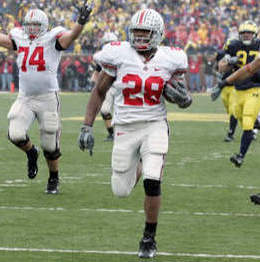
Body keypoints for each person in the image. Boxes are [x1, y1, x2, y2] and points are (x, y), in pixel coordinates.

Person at [78, 9, 191, 259]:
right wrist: (87, 125)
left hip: (154, 124)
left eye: (145, 32)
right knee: (121, 190)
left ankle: (149, 237)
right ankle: (140, 162)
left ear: (158, 34)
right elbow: (99, 91)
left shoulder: (171, 58)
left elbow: (184, 97)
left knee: (153, 181)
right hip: (125, 128)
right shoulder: (119, 55)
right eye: (137, 32)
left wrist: (183, 99)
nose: (140, 37)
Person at [0, 1, 93, 194]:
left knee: (50, 144)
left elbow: (70, 38)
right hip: (25, 97)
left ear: (44, 26)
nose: (32, 28)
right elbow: (5, 41)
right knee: (15, 134)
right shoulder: (19, 36)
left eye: (36, 25)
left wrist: (81, 22)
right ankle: (31, 152)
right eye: (29, 24)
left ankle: (53, 178)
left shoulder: (52, 37)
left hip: (47, 98)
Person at [215, 20, 260, 168]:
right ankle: (256, 124)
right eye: (244, 33)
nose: (247, 35)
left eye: (249, 33)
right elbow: (220, 67)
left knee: (247, 120)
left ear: (255, 34)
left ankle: (240, 155)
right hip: (237, 88)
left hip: (255, 88)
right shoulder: (233, 45)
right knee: (235, 113)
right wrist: (228, 62)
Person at [90, 32, 118, 141]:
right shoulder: (102, 57)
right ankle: (111, 133)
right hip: (108, 87)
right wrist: (95, 83)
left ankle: (124, 133)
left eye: (111, 43)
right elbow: (97, 71)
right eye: (107, 43)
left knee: (123, 111)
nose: (109, 45)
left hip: (121, 87)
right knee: (105, 110)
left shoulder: (123, 55)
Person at [212, 45, 238, 142]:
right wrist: (219, 76)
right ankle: (251, 128)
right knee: (230, 110)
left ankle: (231, 133)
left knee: (233, 111)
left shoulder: (241, 55)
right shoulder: (223, 55)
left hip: (234, 87)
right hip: (224, 87)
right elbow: (216, 68)